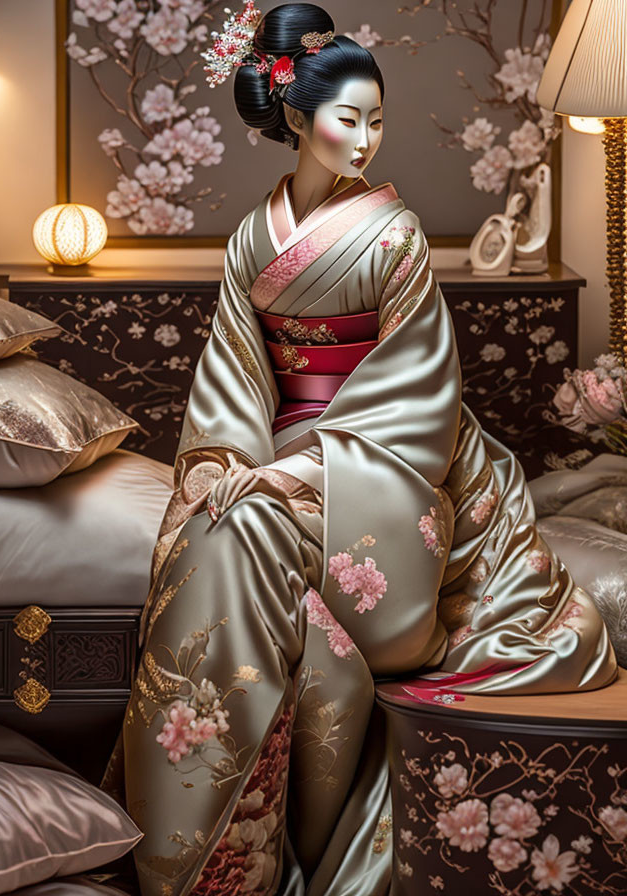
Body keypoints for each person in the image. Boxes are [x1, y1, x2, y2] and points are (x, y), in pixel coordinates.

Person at [117, 4, 617, 894]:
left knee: (259, 526)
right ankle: (207, 853)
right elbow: (234, 377)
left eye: (377, 119)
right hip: (278, 444)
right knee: (210, 533)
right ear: (300, 121)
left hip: (381, 455)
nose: (368, 138)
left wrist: (298, 470)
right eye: (351, 119)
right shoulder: (249, 240)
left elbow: (417, 392)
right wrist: (228, 467)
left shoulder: (396, 236)